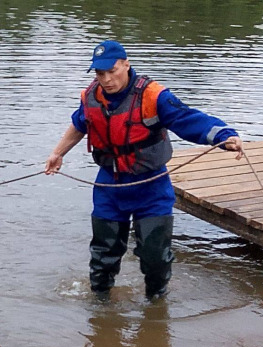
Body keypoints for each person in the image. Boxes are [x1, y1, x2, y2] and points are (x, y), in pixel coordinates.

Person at [45, 40, 243, 299]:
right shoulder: (92, 97)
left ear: (126, 65)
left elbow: (188, 119)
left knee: (155, 258)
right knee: (103, 256)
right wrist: (57, 153)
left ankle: (156, 304)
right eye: (99, 73)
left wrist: (223, 136)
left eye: (111, 71)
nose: (106, 79)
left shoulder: (153, 96)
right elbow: (79, 124)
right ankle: (100, 313)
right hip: (109, 185)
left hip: (151, 185)